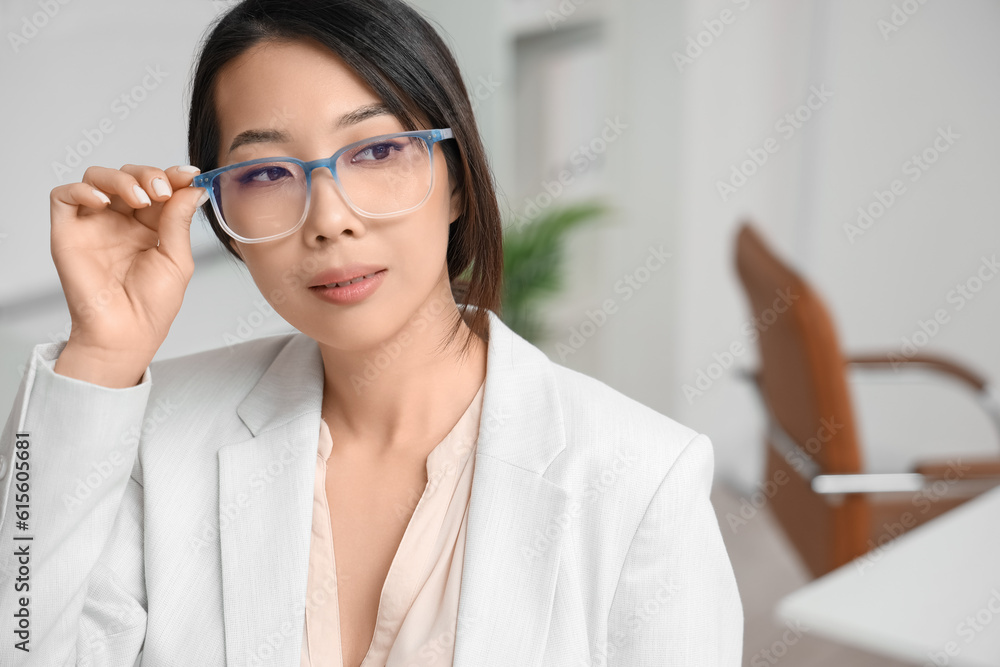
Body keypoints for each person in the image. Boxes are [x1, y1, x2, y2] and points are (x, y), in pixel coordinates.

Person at [0, 0, 743, 664]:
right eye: (264, 174)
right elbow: (23, 641)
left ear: (455, 179)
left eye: (378, 151)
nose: (330, 219)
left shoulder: (643, 478)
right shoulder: (151, 435)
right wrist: (101, 354)